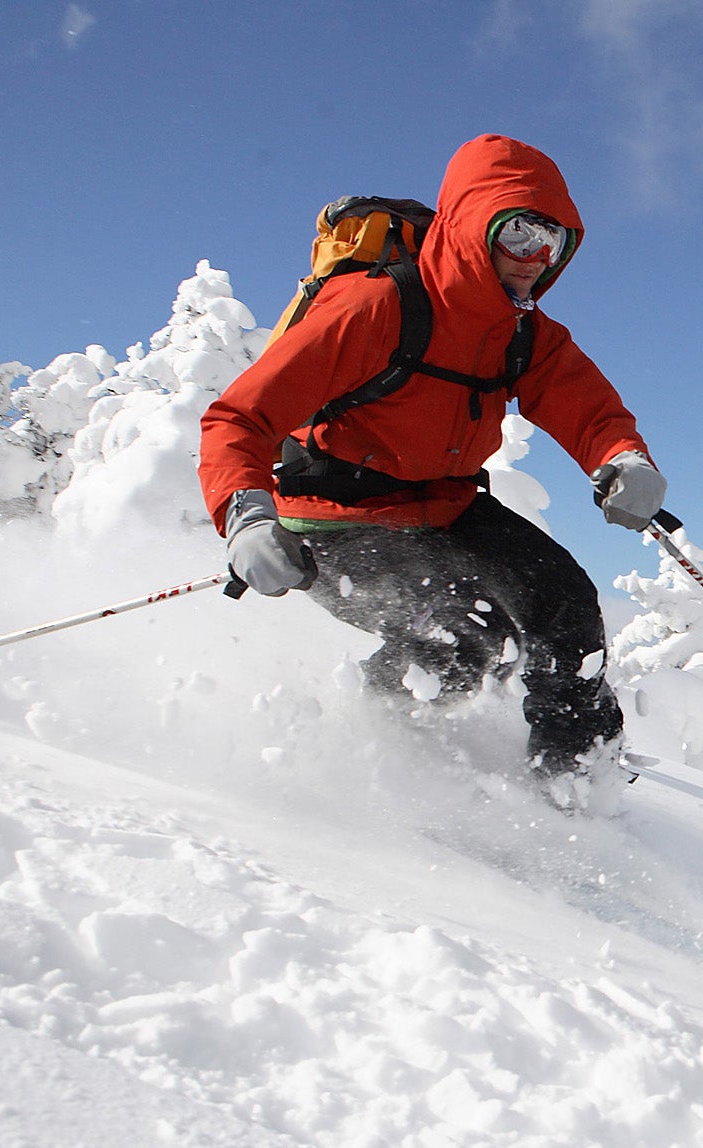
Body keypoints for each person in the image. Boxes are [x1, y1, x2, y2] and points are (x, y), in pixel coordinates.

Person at [197, 134, 663, 808]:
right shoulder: (375, 308)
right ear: (476, 225)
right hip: (334, 511)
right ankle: (373, 758)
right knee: (464, 635)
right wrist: (245, 514)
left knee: (563, 604)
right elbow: (239, 419)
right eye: (521, 231)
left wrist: (623, 458)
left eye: (554, 241)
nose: (537, 256)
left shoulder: (523, 332)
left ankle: (574, 788)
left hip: (444, 503)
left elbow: (587, 406)